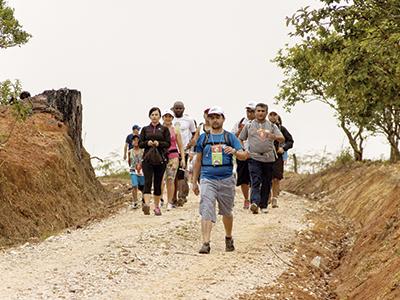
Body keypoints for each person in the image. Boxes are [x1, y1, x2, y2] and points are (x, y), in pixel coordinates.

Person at [192, 106, 248, 254]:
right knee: (206, 208)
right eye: (212, 117)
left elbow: (244, 155)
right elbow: (198, 160)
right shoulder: (203, 138)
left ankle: (228, 237)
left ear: (223, 119)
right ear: (208, 119)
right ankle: (205, 242)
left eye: (218, 117)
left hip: (226, 178)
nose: (215, 120)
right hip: (207, 178)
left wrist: (234, 151)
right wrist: (194, 181)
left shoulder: (230, 137)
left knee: (227, 211)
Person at [239, 103, 284, 214]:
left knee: (266, 181)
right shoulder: (249, 125)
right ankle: (254, 202)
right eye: (258, 111)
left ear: (266, 113)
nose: (260, 113)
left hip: (269, 158)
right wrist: (244, 151)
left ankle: (263, 205)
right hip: (254, 157)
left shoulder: (272, 126)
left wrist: (274, 137)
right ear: (255, 112)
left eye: (263, 111)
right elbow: (240, 138)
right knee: (255, 180)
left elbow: (282, 139)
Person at [139, 107, 170, 216]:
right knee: (147, 181)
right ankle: (146, 205)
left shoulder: (164, 129)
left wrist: (159, 143)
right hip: (147, 159)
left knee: (157, 183)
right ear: (149, 116)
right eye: (152, 115)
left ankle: (157, 207)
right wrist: (147, 143)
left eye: (156, 115)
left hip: (160, 159)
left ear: (160, 116)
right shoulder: (144, 129)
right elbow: (140, 143)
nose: (154, 117)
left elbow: (168, 143)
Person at [231, 101, 256, 209]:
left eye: (252, 111)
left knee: (255, 177)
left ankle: (255, 199)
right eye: (248, 111)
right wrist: (239, 132)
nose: (249, 113)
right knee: (243, 177)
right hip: (241, 152)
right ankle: (246, 199)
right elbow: (231, 137)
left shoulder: (261, 123)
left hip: (255, 153)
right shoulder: (240, 122)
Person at [172, 101, 196, 206]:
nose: (178, 110)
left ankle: (181, 197)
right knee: (173, 175)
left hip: (184, 151)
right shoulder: (170, 120)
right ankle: (172, 197)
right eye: (176, 108)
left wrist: (191, 144)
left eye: (180, 108)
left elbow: (195, 134)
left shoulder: (189, 120)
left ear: (183, 109)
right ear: (173, 109)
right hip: (172, 151)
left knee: (181, 174)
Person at [268, 112, 294, 208]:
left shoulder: (282, 129)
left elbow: (290, 141)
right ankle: (268, 196)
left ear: (278, 117)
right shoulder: (263, 127)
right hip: (265, 156)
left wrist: (283, 148)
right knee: (266, 178)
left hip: (277, 157)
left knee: (276, 178)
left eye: (275, 115)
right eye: (271, 114)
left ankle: (275, 198)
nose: (272, 116)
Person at [161, 109, 186, 211]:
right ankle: (160, 199)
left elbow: (180, 145)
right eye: (166, 116)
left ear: (172, 118)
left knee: (170, 179)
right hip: (161, 156)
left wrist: (183, 158)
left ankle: (170, 202)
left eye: (170, 116)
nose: (167, 118)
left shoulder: (175, 130)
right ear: (163, 117)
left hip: (173, 156)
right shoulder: (159, 129)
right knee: (161, 180)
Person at [128, 135, 145, 209]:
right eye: (134, 140)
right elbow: (129, 161)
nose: (136, 141)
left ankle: (144, 200)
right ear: (132, 142)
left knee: (142, 187)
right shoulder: (130, 151)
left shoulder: (143, 150)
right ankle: (135, 202)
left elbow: (145, 160)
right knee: (134, 185)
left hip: (142, 171)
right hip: (133, 170)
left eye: (137, 140)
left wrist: (140, 165)